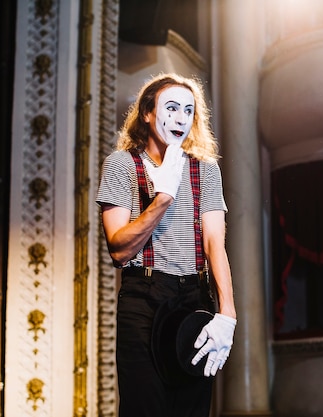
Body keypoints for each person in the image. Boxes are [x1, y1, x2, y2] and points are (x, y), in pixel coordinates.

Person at [96, 73, 237, 417]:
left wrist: (227, 314)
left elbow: (214, 244)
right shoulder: (121, 164)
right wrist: (163, 197)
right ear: (147, 112)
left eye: (188, 111)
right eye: (171, 108)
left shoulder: (205, 170)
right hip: (143, 296)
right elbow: (119, 250)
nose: (179, 118)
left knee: (191, 409)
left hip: (194, 298)